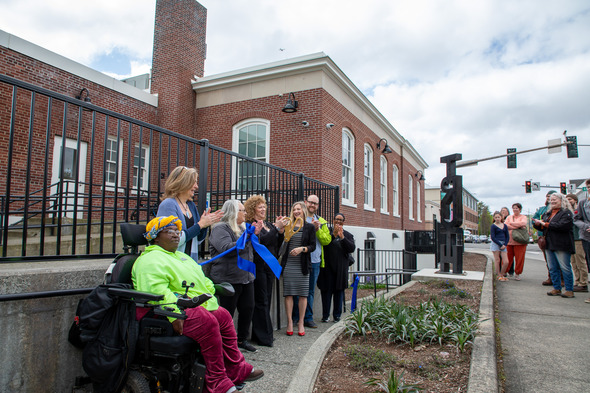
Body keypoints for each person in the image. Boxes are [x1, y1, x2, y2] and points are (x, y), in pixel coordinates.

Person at [131, 216, 263, 393]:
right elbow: (157, 292)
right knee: (206, 321)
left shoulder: (180, 256)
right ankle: (216, 381)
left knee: (223, 315)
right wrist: (173, 313)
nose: (177, 235)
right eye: (170, 231)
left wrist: (212, 291)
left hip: (192, 305)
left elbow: (202, 280)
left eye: (178, 232)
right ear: (155, 236)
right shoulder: (150, 260)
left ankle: (235, 369)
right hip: (164, 312)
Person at [208, 199, 261, 353]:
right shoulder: (220, 228)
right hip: (228, 278)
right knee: (227, 312)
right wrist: (247, 237)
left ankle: (242, 339)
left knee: (247, 308)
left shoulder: (242, 227)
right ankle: (224, 342)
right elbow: (226, 248)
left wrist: (252, 235)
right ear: (233, 212)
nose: (245, 213)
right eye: (242, 210)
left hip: (245, 277)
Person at [243, 195, 287, 347]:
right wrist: (276, 228)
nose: (263, 209)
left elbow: (276, 243)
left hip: (270, 266)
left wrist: (280, 231)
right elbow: (262, 241)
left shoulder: (268, 224)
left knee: (266, 299)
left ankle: (263, 333)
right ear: (252, 208)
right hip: (258, 266)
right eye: (260, 207)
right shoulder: (251, 224)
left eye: (264, 206)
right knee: (261, 300)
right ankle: (263, 337)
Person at [157, 166, 223, 260]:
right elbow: (173, 239)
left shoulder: (191, 205)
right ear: (183, 182)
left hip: (189, 262)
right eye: (194, 182)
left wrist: (206, 225)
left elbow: (198, 240)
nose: (196, 186)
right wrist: (200, 225)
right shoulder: (168, 205)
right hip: (172, 262)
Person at [293, 194, 331, 329]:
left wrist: (318, 230)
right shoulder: (298, 219)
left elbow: (327, 241)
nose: (312, 205)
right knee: (298, 290)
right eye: (310, 202)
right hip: (299, 259)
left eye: (315, 203)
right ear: (305, 202)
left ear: (317, 206)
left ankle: (308, 318)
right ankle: (297, 317)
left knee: (309, 291)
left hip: (314, 261)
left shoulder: (322, 221)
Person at [280, 201, 316, 336]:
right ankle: (290, 322)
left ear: (304, 210)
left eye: (298, 209)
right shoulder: (288, 225)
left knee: (303, 295)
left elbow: (313, 246)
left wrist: (302, 249)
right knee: (288, 294)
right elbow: (282, 246)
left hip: (302, 265)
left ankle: (301, 322)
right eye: (294, 209)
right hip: (289, 263)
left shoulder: (309, 227)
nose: (296, 212)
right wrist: (282, 233)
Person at [533, 193, 575, 298]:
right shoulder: (548, 213)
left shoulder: (567, 213)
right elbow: (545, 227)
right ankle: (556, 288)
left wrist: (545, 224)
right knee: (552, 267)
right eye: (551, 200)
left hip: (562, 244)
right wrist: (538, 224)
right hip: (549, 243)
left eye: (555, 199)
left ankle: (569, 289)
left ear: (562, 200)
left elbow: (562, 226)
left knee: (565, 267)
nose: (552, 202)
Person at [318, 213, 355, 322]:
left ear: (344, 222)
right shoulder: (328, 232)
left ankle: (337, 315)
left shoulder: (348, 235)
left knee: (339, 293)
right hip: (327, 269)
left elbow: (351, 248)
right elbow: (325, 245)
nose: (338, 222)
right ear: (333, 220)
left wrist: (342, 237)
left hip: (341, 269)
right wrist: (333, 235)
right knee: (326, 292)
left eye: (341, 220)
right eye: (336, 220)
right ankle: (325, 316)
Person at [533, 190, 557, 286]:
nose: (549, 198)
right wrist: (537, 222)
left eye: (552, 196)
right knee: (548, 259)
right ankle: (551, 277)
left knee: (559, 259)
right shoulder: (542, 209)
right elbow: (534, 219)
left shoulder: (560, 209)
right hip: (544, 236)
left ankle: (561, 278)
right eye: (548, 196)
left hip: (556, 237)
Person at [566, 194, 588, 292]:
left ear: (575, 200)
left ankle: (583, 282)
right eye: (567, 200)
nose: (568, 201)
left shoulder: (578, 210)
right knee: (573, 262)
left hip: (578, 238)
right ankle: (577, 280)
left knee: (580, 261)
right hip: (570, 239)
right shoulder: (566, 211)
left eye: (570, 199)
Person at [573, 178, 590, 304]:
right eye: (588, 187)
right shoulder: (583, 203)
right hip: (586, 236)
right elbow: (576, 219)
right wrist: (585, 226)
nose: (589, 189)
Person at [504, 203, 528, 281]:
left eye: (516, 208)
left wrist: (511, 224)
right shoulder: (509, 217)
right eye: (513, 208)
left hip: (520, 241)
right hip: (509, 241)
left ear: (520, 209)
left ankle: (517, 273)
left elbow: (523, 223)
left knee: (519, 258)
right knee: (507, 258)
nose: (515, 209)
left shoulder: (523, 217)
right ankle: (505, 271)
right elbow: (505, 226)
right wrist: (517, 226)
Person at [490, 211, 510, 281]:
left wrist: (505, 244)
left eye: (499, 217)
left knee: (506, 261)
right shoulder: (493, 226)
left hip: (503, 244)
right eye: (496, 217)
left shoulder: (504, 226)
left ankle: (502, 273)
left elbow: (507, 236)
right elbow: (493, 237)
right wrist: (500, 244)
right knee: (497, 260)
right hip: (496, 244)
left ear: (501, 217)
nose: (497, 218)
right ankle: (498, 274)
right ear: (494, 218)